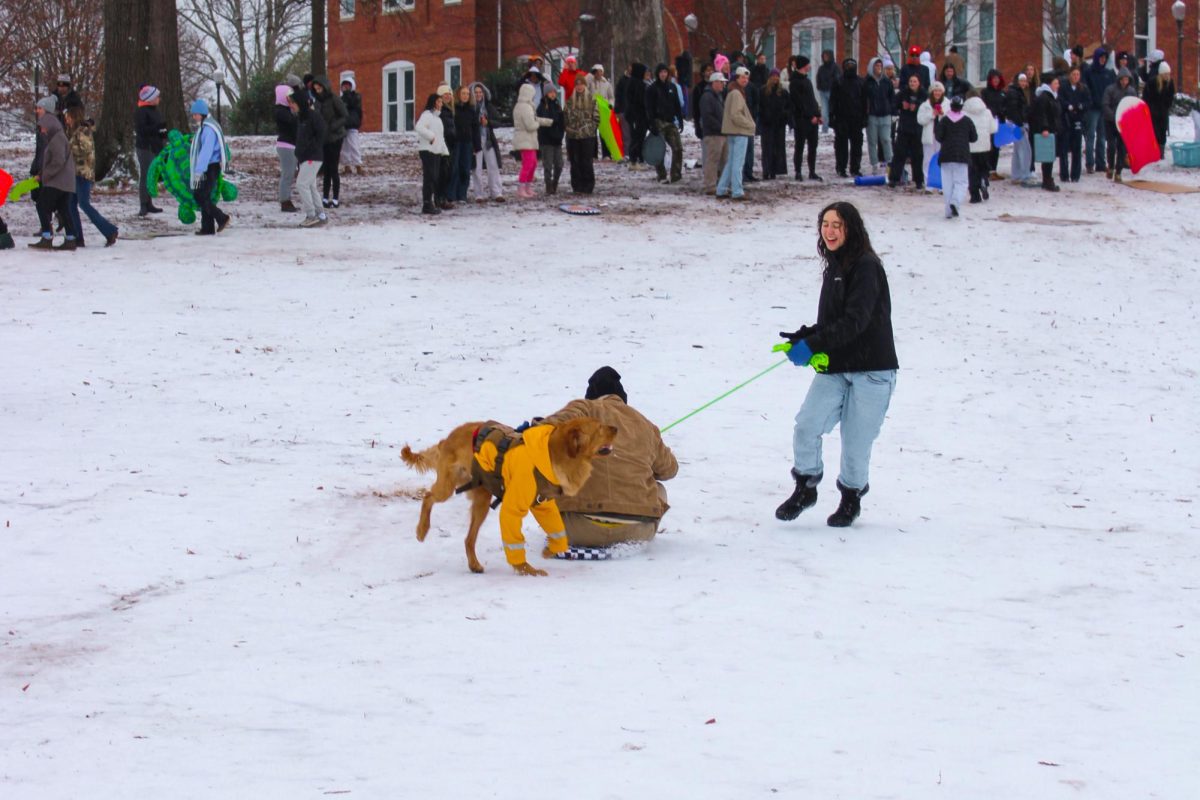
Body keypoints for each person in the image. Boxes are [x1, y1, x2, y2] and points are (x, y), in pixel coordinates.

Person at [776, 201, 897, 527]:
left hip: (872, 370)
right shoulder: (835, 266)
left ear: (851, 229)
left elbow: (856, 321)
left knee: (856, 441)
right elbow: (835, 320)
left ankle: (851, 498)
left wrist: (813, 344)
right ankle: (806, 486)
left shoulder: (867, 266)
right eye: (825, 224)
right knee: (807, 424)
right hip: (837, 366)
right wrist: (806, 337)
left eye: (837, 225)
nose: (829, 231)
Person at [540, 367, 679, 548]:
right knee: (658, 488)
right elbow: (670, 470)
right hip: (638, 530)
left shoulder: (584, 408)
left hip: (577, 530)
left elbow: (552, 427)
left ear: (590, 397)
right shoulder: (645, 424)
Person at [28, 98, 79, 251]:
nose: (41, 130)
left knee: (42, 206)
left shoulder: (56, 138)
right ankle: (71, 239)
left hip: (58, 181)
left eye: (42, 127)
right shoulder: (57, 135)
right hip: (65, 181)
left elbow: (57, 161)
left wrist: (44, 176)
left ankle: (47, 237)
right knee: (63, 209)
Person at [65, 106, 118, 247]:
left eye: (68, 117)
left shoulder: (83, 131)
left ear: (74, 117)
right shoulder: (74, 131)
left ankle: (109, 230)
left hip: (82, 173)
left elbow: (86, 150)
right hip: (74, 173)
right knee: (71, 205)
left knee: (84, 204)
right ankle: (77, 237)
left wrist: (68, 149)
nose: (66, 120)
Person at [187, 98, 231, 235]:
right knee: (204, 196)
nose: (193, 117)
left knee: (200, 196)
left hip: (209, 167)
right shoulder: (207, 127)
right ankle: (207, 227)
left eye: (195, 114)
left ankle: (221, 217)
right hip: (210, 166)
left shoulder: (208, 130)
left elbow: (206, 151)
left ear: (202, 113)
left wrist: (199, 170)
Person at [715, 66, 755, 200]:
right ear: (736, 78)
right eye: (742, 77)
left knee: (731, 162)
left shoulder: (732, 92)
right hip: (739, 132)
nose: (745, 80)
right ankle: (737, 191)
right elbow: (736, 115)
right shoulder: (737, 94)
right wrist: (750, 124)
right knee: (738, 163)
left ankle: (721, 189)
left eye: (747, 78)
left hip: (732, 132)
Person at [290, 88, 327, 227]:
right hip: (305, 157)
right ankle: (321, 214)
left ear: (300, 102)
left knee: (302, 184)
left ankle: (311, 215)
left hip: (313, 156)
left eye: (293, 102)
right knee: (311, 186)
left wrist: (310, 149)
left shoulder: (313, 116)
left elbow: (322, 134)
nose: (291, 105)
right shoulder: (301, 118)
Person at [935, 95, 976, 218]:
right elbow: (974, 138)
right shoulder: (967, 120)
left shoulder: (944, 120)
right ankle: (956, 202)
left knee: (947, 184)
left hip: (946, 155)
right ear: (961, 107)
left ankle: (948, 211)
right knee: (961, 182)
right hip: (962, 155)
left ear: (951, 106)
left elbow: (938, 136)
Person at [311, 76, 347, 208]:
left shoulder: (334, 99)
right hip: (324, 138)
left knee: (333, 168)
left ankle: (336, 197)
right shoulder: (317, 102)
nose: (318, 91)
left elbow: (344, 116)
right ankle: (325, 197)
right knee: (325, 169)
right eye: (316, 89)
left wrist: (333, 126)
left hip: (336, 137)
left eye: (320, 88)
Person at [645, 62, 684, 183]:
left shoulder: (672, 87)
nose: (663, 74)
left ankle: (676, 174)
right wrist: (651, 124)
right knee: (659, 149)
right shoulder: (652, 89)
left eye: (665, 72)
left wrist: (680, 119)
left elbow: (677, 104)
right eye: (661, 72)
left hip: (670, 121)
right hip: (658, 121)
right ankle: (661, 175)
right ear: (658, 73)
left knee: (677, 148)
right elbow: (648, 108)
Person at [513, 83, 552, 199]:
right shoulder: (524, 107)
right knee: (528, 163)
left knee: (533, 163)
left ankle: (528, 187)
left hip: (529, 140)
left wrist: (547, 121)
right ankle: (521, 187)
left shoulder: (527, 106)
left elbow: (533, 119)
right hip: (525, 139)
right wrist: (538, 124)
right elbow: (530, 125)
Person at [830, 58, 867, 178]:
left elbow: (864, 101)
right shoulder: (838, 82)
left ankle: (855, 168)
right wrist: (832, 117)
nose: (850, 67)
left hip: (857, 119)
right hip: (842, 119)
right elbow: (833, 101)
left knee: (857, 145)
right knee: (841, 146)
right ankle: (841, 168)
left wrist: (865, 117)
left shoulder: (861, 82)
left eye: (852, 65)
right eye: (848, 65)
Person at [888, 73, 926, 189]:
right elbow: (893, 104)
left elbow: (927, 105)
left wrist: (917, 106)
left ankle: (919, 180)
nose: (912, 84)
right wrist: (901, 105)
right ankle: (894, 178)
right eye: (910, 81)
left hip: (917, 128)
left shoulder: (923, 94)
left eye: (914, 81)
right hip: (904, 128)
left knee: (917, 156)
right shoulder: (903, 93)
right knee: (899, 154)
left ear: (919, 83)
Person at [468, 83, 504, 202]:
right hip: (475, 141)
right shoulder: (470, 107)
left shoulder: (488, 106)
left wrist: (487, 122)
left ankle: (496, 192)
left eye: (480, 92)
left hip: (488, 140)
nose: (478, 94)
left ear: (484, 93)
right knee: (476, 168)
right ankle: (479, 194)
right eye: (476, 92)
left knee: (493, 166)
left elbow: (498, 121)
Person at [134, 85, 167, 216]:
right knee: (145, 175)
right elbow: (142, 130)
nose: (159, 99)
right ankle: (143, 204)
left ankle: (149, 203)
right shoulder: (142, 111)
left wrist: (163, 132)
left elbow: (158, 127)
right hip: (145, 147)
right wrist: (157, 129)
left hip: (154, 147)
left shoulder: (155, 110)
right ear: (150, 98)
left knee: (151, 175)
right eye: (157, 97)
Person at [790, 56, 822, 181]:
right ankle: (798, 171)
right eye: (808, 64)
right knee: (800, 146)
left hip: (812, 120)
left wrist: (817, 115)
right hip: (801, 120)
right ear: (803, 65)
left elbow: (812, 100)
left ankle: (812, 171)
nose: (810, 66)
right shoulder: (795, 82)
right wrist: (810, 116)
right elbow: (799, 103)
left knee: (813, 146)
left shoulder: (807, 81)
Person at [1102, 67, 1137, 182]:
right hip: (1111, 122)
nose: (1124, 82)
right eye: (1123, 79)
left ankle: (1118, 171)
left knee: (1122, 148)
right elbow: (1105, 105)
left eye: (1126, 79)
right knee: (1111, 146)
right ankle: (1111, 166)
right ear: (1119, 79)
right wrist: (1114, 117)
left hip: (1124, 124)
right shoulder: (1110, 90)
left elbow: (1134, 106)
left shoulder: (1131, 91)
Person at [565, 73, 598, 194]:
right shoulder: (570, 101)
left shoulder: (591, 100)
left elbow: (596, 117)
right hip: (573, 137)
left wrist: (590, 128)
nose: (579, 87)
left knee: (587, 161)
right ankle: (577, 186)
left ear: (585, 85)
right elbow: (565, 117)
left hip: (587, 136)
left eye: (581, 84)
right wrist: (569, 129)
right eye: (577, 84)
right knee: (575, 162)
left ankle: (588, 185)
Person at [1082, 48, 1113, 175]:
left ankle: (1101, 163)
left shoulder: (1108, 73)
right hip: (1092, 108)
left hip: (1104, 108)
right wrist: (1091, 102)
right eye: (1101, 57)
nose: (1103, 60)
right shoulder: (1089, 72)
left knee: (1102, 137)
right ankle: (1090, 163)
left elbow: (1111, 89)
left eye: (1104, 58)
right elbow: (1085, 89)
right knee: (1091, 136)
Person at [1029, 75, 1063, 191]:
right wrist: (1045, 128)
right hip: (1047, 130)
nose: (1058, 86)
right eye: (1055, 83)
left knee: (1050, 156)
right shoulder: (1044, 97)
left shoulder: (1052, 96)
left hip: (1052, 129)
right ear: (1049, 85)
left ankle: (1047, 179)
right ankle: (1047, 180)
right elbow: (1041, 114)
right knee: (1047, 157)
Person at [415, 93, 447, 214]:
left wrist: (444, 151)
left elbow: (441, 137)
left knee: (434, 178)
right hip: (427, 150)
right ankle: (427, 203)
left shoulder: (438, 119)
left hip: (436, 151)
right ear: (433, 103)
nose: (441, 104)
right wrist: (431, 137)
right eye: (438, 102)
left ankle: (431, 201)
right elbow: (419, 127)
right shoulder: (427, 115)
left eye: (441, 102)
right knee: (429, 177)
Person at [963, 92, 996, 202]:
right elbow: (993, 129)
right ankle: (984, 181)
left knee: (972, 171)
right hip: (984, 146)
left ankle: (975, 195)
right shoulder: (987, 112)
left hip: (970, 146)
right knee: (983, 167)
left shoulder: (964, 113)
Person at [1059, 67, 1090, 182]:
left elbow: (1088, 102)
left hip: (1078, 119)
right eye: (1073, 74)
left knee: (1077, 148)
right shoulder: (1063, 87)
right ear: (1069, 75)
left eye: (1078, 74)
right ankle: (1064, 175)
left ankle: (1075, 175)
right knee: (1064, 148)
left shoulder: (1083, 88)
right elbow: (1060, 101)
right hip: (1066, 120)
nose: (1076, 77)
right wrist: (1068, 106)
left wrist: (1080, 106)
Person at [865, 57, 895, 175]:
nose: (878, 68)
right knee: (872, 141)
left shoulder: (886, 81)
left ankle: (889, 163)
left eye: (880, 66)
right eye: (876, 66)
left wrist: (893, 111)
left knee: (886, 139)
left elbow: (892, 97)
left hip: (885, 114)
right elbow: (864, 98)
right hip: (872, 115)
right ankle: (874, 164)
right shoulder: (867, 82)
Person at [699, 71, 728, 194]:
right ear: (714, 83)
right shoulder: (707, 97)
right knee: (712, 160)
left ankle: (721, 184)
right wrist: (721, 127)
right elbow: (708, 116)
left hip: (720, 133)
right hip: (713, 134)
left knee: (723, 160)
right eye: (721, 82)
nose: (723, 85)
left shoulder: (717, 96)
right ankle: (709, 185)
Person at [759, 70, 790, 179]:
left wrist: (785, 117)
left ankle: (775, 170)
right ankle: (766, 170)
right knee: (767, 147)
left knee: (777, 148)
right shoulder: (763, 91)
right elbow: (760, 107)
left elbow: (788, 107)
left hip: (779, 124)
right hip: (767, 124)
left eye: (777, 76)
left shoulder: (783, 92)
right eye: (773, 76)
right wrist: (764, 118)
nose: (775, 78)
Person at [1004, 72, 1034, 183]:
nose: (1023, 83)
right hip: (1018, 125)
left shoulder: (1018, 92)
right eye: (1021, 80)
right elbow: (1014, 111)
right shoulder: (1014, 93)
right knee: (1025, 150)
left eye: (1025, 81)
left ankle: (1016, 175)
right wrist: (1020, 124)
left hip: (1017, 123)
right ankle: (1024, 175)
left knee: (1018, 150)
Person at [450, 85, 477, 202]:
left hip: (468, 143)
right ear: (458, 95)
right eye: (463, 93)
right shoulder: (454, 109)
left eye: (467, 94)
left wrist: (477, 145)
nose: (465, 96)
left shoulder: (472, 110)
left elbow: (475, 128)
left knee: (465, 169)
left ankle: (462, 194)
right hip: (456, 142)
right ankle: (452, 194)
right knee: (454, 168)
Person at [274, 84, 299, 212]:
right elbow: (293, 124)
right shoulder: (281, 111)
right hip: (286, 145)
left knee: (289, 173)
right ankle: (285, 201)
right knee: (287, 174)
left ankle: (286, 199)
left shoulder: (287, 110)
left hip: (291, 145)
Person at [917, 80, 946, 188]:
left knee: (941, 159)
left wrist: (942, 114)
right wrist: (932, 115)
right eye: (935, 91)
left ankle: (941, 182)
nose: (937, 93)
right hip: (929, 136)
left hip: (942, 136)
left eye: (939, 91)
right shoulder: (925, 105)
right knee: (928, 159)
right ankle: (928, 182)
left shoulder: (947, 103)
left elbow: (951, 119)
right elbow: (920, 120)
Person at [537, 83, 565, 194]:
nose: (553, 94)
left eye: (554, 92)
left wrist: (561, 133)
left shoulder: (558, 106)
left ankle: (555, 182)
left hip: (557, 140)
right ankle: (548, 185)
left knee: (559, 164)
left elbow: (562, 121)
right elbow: (542, 122)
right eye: (550, 92)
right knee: (548, 165)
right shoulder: (542, 107)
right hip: (546, 140)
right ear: (546, 94)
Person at [1143, 62, 1175, 155]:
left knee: (1163, 130)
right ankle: (1155, 151)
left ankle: (1161, 151)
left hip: (1163, 110)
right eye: (1165, 74)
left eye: (1168, 74)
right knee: (1155, 131)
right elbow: (1147, 97)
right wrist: (1150, 108)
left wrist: (1167, 106)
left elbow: (1171, 96)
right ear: (1161, 74)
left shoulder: (1170, 83)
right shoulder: (1152, 82)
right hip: (1153, 111)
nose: (1167, 76)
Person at [980, 70, 1007, 176]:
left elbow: (1006, 106)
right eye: (994, 78)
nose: (996, 80)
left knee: (997, 146)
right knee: (988, 146)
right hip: (989, 122)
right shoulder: (985, 92)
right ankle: (986, 169)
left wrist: (1003, 112)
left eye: (998, 78)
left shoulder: (1002, 93)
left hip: (999, 122)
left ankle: (993, 170)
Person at [624, 63, 650, 167]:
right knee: (636, 138)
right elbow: (639, 101)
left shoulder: (636, 83)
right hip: (637, 116)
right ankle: (633, 160)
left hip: (638, 116)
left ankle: (639, 158)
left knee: (639, 137)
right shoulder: (636, 84)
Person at [435, 84, 456, 209]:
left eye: (449, 94)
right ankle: (439, 198)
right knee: (442, 173)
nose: (448, 96)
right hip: (442, 146)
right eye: (445, 94)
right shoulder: (439, 112)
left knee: (448, 173)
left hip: (451, 145)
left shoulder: (450, 111)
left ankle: (443, 197)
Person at [340, 77, 364, 175]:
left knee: (354, 145)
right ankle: (346, 165)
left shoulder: (356, 96)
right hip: (343, 125)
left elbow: (352, 104)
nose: (345, 87)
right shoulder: (341, 99)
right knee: (344, 147)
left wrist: (347, 94)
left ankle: (358, 165)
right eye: (344, 85)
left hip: (352, 124)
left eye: (348, 85)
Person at [815, 49, 837, 133]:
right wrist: (819, 86)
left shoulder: (835, 67)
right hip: (823, 91)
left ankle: (835, 127)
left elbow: (837, 78)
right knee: (824, 111)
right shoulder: (821, 68)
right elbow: (818, 77)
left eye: (827, 56)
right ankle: (825, 128)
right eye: (824, 56)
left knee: (834, 110)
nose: (825, 58)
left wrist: (832, 85)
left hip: (833, 91)